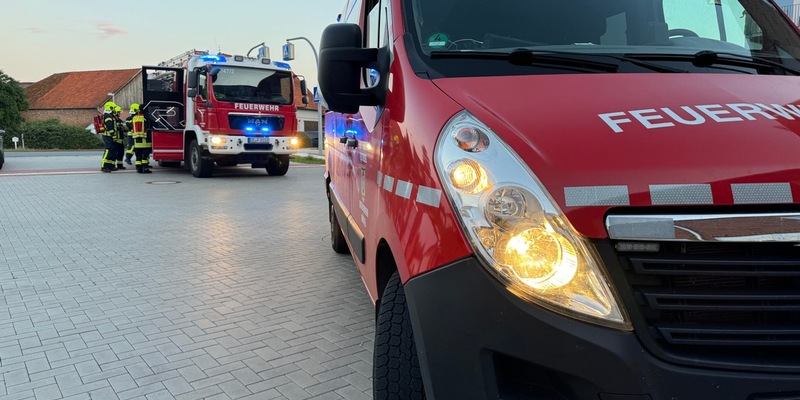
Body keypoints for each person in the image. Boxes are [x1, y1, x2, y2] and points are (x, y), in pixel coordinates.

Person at [126, 103, 152, 173]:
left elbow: (131, 126)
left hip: (137, 140)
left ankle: (138, 169)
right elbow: (151, 125)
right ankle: (145, 168)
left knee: (138, 155)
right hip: (146, 139)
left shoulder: (134, 117)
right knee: (145, 155)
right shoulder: (146, 117)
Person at [100, 101, 118, 172]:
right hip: (108, 136)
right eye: (113, 108)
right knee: (108, 151)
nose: (114, 110)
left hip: (110, 136)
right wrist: (113, 134)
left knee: (111, 151)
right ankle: (104, 166)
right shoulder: (107, 116)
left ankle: (110, 166)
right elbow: (109, 127)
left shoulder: (110, 115)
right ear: (110, 108)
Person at [113, 105, 127, 171]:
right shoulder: (113, 120)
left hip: (120, 139)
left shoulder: (120, 120)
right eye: (119, 112)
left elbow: (125, 128)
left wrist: (124, 128)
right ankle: (113, 165)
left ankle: (120, 165)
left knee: (121, 152)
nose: (120, 114)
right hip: (115, 139)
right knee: (115, 153)